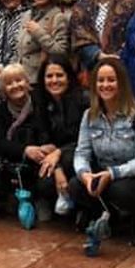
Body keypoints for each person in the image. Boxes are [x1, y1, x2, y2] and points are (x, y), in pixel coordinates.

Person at [69, 57, 135, 247]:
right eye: (101, 80)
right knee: (76, 185)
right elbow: (81, 153)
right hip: (103, 172)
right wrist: (85, 174)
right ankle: (109, 218)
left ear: (122, 83)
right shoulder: (89, 115)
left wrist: (112, 174)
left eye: (111, 80)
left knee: (120, 190)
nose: (105, 85)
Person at [0, 64, 52, 219]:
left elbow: (47, 131)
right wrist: (25, 150)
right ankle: (15, 196)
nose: (15, 86)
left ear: (27, 82)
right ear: (3, 90)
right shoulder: (1, 110)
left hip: (40, 159)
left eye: (18, 80)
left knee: (46, 182)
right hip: (15, 161)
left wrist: (42, 149)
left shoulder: (39, 103)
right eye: (9, 83)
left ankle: (41, 198)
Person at [33, 55, 88, 216]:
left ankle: (82, 208)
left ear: (69, 77)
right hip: (54, 158)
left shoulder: (83, 100)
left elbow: (84, 141)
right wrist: (57, 168)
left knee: (70, 170)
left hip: (79, 155)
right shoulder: (41, 102)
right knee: (45, 179)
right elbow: (44, 141)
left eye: (59, 75)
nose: (54, 80)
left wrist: (58, 153)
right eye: (49, 76)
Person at [16, 0, 69, 84]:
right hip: (23, 80)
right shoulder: (26, 15)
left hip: (41, 80)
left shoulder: (58, 17)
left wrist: (38, 33)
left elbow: (61, 51)